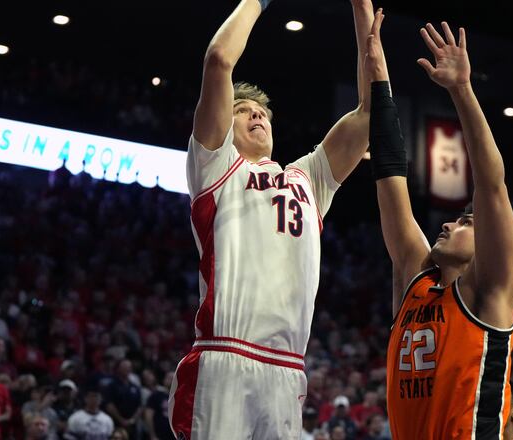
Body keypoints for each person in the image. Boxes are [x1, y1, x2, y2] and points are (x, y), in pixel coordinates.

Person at [168, 0, 377, 437]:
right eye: (243, 110)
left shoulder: (308, 179)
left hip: (286, 371)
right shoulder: (216, 167)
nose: (257, 114)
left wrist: (362, 13)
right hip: (224, 358)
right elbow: (219, 59)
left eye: (262, 111)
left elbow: (370, 112)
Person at [365, 16, 513, 438]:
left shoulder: (490, 291)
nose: (449, 224)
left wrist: (461, 90)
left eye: (466, 221)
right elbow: (389, 174)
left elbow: (491, 184)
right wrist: (377, 79)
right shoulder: (415, 281)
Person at [103, 360, 141, 440]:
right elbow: (109, 405)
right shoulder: (111, 385)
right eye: (124, 367)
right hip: (116, 424)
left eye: (129, 367)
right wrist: (121, 420)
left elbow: (140, 406)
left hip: (132, 425)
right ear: (119, 369)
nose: (127, 369)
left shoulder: (135, 387)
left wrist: (132, 420)